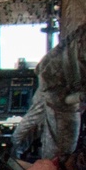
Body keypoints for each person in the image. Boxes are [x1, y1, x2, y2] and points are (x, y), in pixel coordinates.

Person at [11, 23, 86, 159]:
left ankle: (13, 158)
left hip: (50, 71)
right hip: (56, 80)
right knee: (63, 146)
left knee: (33, 122)